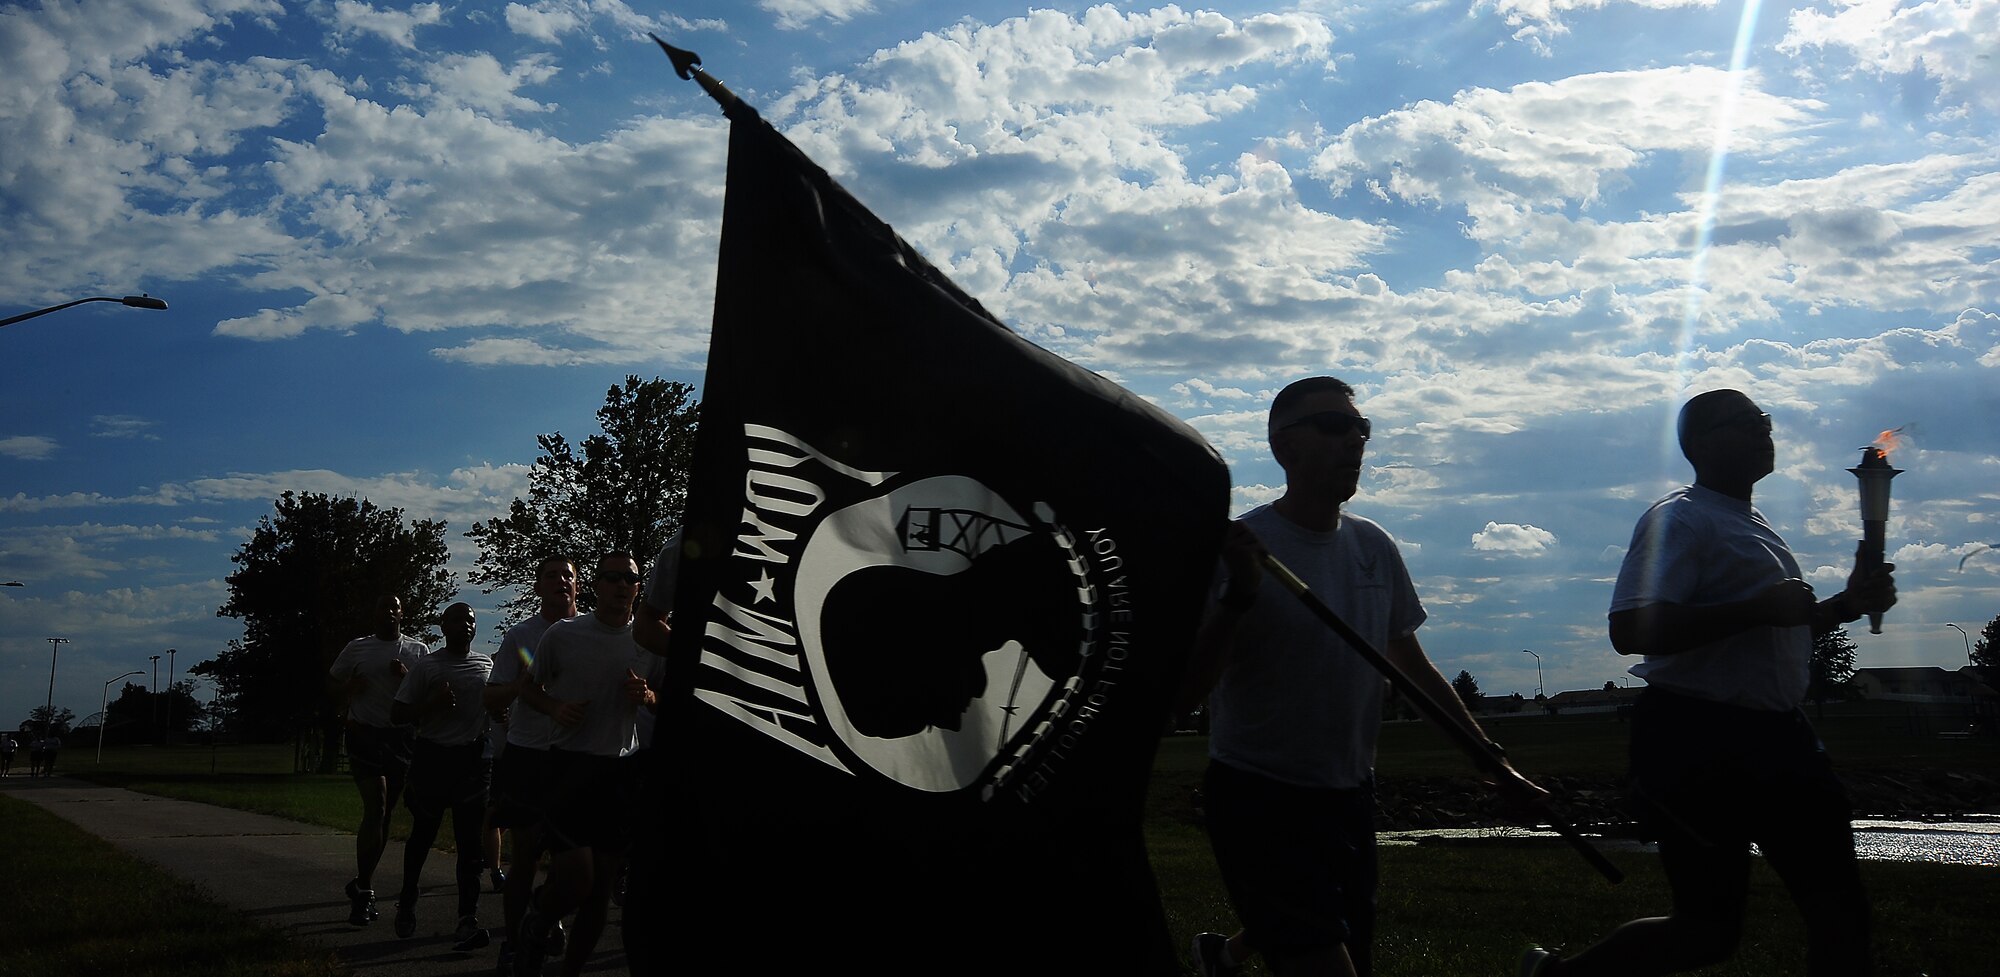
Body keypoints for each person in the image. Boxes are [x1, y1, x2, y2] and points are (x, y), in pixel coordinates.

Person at [1521, 389, 1896, 977]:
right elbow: (1631, 628)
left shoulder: (1752, 523)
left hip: (1780, 737)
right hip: (1697, 738)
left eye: (1764, 421)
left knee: (1840, 912)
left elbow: (1774, 629)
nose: (1762, 431)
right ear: (1699, 444)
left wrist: (1844, 606)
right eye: (1744, 423)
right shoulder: (1680, 518)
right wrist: (1759, 608)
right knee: (1707, 931)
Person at [1181, 376, 1542, 977]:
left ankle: (1225, 956)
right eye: (1332, 425)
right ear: (1285, 448)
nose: (1354, 438)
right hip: (1259, 797)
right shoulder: (1242, 551)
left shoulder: (1374, 547)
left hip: (1348, 797)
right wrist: (1239, 598)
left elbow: (1413, 668)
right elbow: (1184, 695)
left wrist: (1491, 760)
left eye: (1360, 426)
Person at [513, 551, 664, 977]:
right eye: (612, 578)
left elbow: (664, 696)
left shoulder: (649, 640)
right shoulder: (564, 635)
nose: (621, 586)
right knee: (578, 880)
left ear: (639, 589)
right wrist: (554, 706)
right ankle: (539, 917)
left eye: (630, 579)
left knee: (599, 894)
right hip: (569, 768)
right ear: (595, 586)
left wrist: (649, 697)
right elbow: (528, 688)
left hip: (620, 771)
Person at [484, 555, 579, 974]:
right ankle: (512, 942)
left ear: (578, 586)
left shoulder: (592, 632)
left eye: (568, 576)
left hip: (576, 756)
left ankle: (544, 912)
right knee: (525, 856)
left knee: (574, 860)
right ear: (538, 587)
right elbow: (492, 699)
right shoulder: (521, 635)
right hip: (528, 754)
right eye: (552, 576)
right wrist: (520, 685)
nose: (561, 581)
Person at [390, 601, 496, 951]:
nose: (466, 624)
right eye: (457, 619)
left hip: (472, 762)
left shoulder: (486, 664)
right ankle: (407, 899)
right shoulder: (427, 667)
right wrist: (430, 705)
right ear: (442, 626)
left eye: (471, 619)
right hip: (433, 759)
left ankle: (467, 919)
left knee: (469, 846)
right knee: (423, 836)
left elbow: (495, 707)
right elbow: (398, 713)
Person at [328, 594, 430, 926]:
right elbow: (330, 686)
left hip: (400, 738)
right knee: (377, 805)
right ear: (373, 615)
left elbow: (426, 697)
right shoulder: (357, 647)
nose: (388, 611)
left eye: (393, 607)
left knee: (385, 816)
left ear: (403, 613)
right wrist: (349, 687)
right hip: (364, 734)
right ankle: (366, 891)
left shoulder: (418, 651)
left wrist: (405, 677)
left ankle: (361, 884)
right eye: (381, 607)